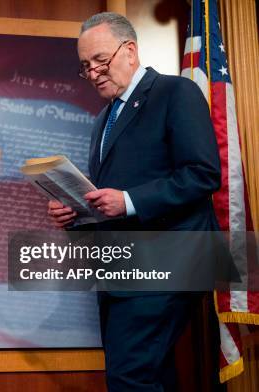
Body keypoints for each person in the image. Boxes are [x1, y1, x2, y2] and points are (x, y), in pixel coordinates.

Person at [47, 12, 222, 391]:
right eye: (85, 66)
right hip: (122, 269)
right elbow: (111, 196)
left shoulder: (176, 92)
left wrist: (128, 201)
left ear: (130, 51)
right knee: (150, 375)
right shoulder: (103, 119)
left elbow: (203, 174)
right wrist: (76, 212)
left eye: (100, 60)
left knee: (130, 377)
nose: (93, 72)